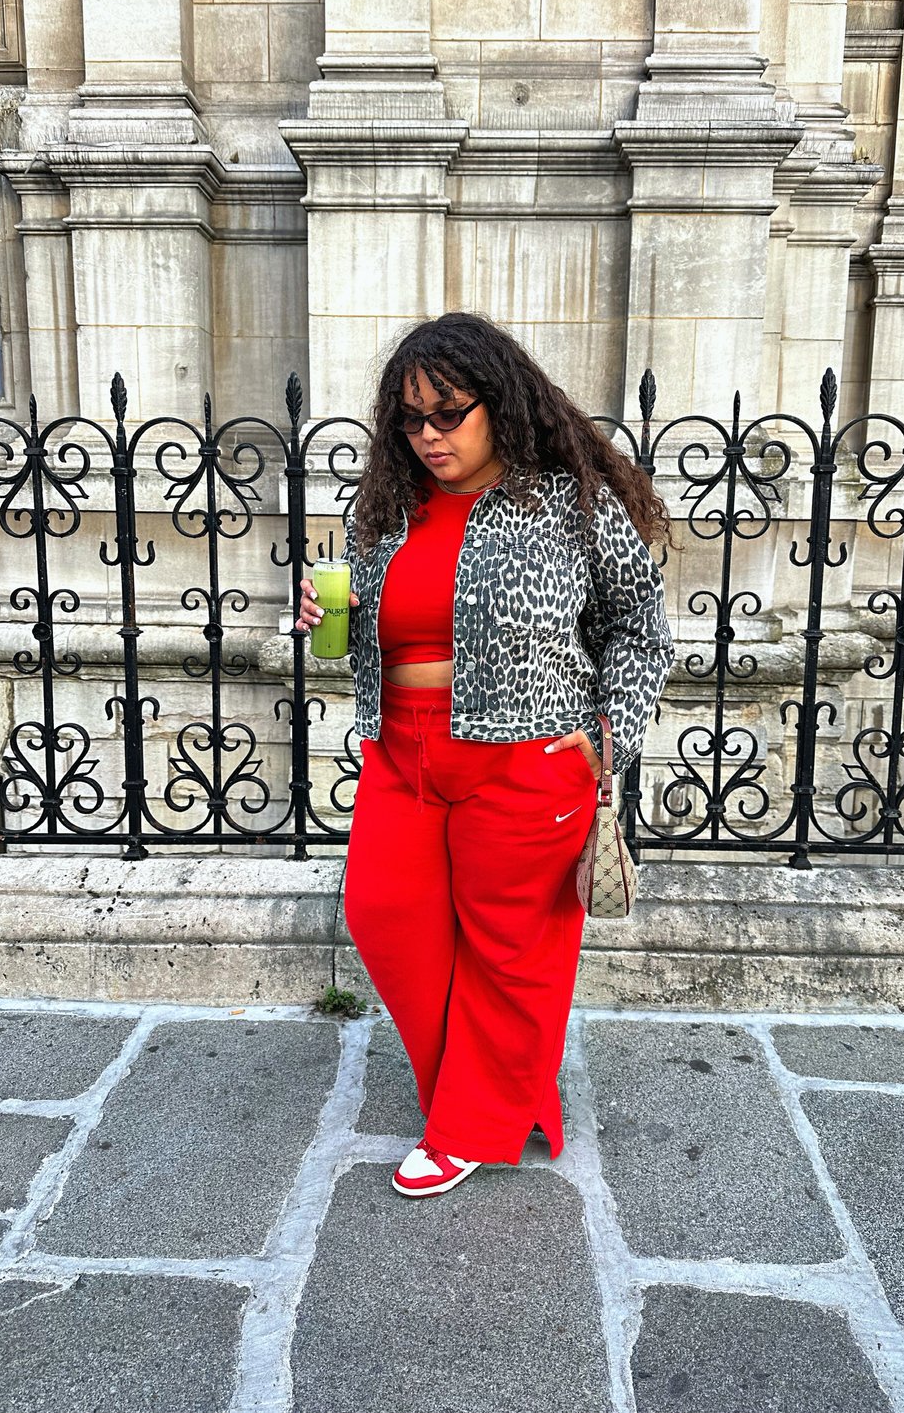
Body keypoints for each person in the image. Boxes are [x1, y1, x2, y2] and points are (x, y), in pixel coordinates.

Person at [296, 311, 674, 1199]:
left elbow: (639, 627)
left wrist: (609, 732)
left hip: (530, 754)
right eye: (410, 420)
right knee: (385, 917)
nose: (427, 436)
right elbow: (383, 629)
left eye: (447, 414)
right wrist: (318, 626)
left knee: (512, 949)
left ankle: (470, 1121)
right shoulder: (388, 510)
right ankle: (487, 1094)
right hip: (404, 750)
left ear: (497, 404)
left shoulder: (569, 504)